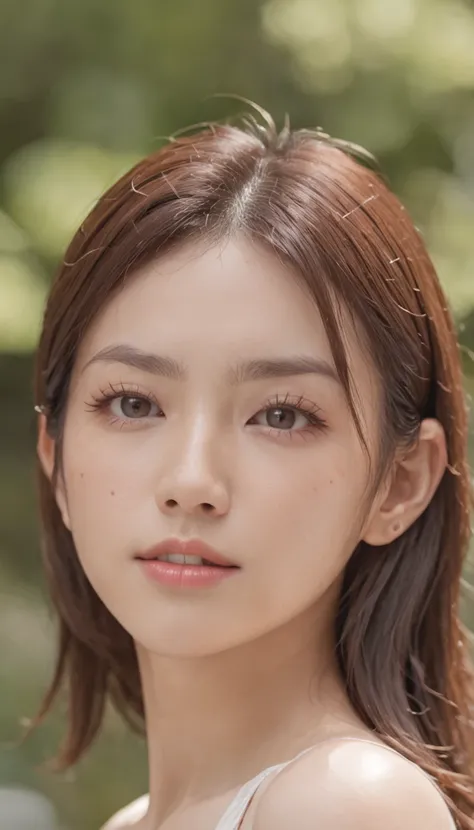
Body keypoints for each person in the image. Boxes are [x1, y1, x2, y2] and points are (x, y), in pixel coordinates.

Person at [31, 105, 474, 829]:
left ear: (401, 482)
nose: (191, 483)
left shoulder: (346, 803)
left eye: (282, 415)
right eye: (135, 403)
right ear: (57, 462)